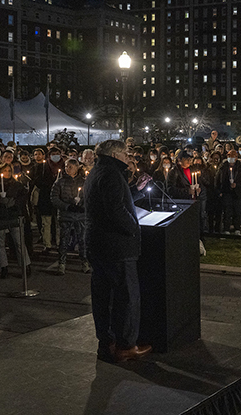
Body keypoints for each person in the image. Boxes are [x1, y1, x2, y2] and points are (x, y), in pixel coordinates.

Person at [84, 139, 152, 363]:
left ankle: (107, 343)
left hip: (99, 244)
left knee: (103, 296)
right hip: (117, 246)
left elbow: (113, 200)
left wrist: (135, 191)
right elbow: (114, 208)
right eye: (125, 153)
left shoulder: (98, 171)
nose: (128, 157)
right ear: (114, 154)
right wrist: (133, 226)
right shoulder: (112, 174)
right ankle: (125, 346)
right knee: (126, 296)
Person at [0, 163, 31, 279]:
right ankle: (4, 267)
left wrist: (14, 203)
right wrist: (0, 203)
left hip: (13, 216)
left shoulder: (17, 185)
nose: (7, 173)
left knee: (19, 242)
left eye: (9, 170)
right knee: (0, 243)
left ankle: (25, 265)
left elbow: (23, 198)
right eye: (4, 170)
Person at [50, 158, 88, 275]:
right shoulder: (60, 182)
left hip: (80, 216)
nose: (68, 169)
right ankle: (62, 263)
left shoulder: (83, 182)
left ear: (77, 168)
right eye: (66, 166)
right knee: (64, 240)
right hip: (66, 215)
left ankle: (84, 262)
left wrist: (83, 206)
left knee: (83, 240)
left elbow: (89, 197)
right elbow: (54, 198)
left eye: (70, 167)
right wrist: (67, 206)